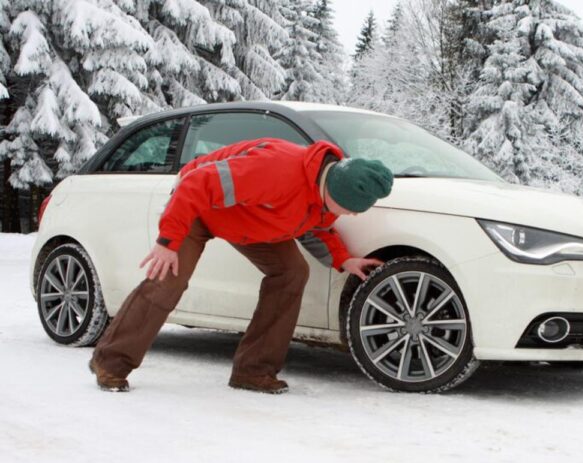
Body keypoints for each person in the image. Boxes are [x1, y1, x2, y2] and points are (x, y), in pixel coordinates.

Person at [89, 137, 393, 394]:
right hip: (197, 208)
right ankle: (110, 362)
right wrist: (168, 242)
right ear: (335, 192)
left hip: (248, 220)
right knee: (169, 278)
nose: (352, 216)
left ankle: (253, 371)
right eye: (351, 210)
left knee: (291, 273)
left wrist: (343, 259)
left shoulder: (325, 197)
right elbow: (196, 183)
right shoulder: (276, 170)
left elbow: (317, 227)